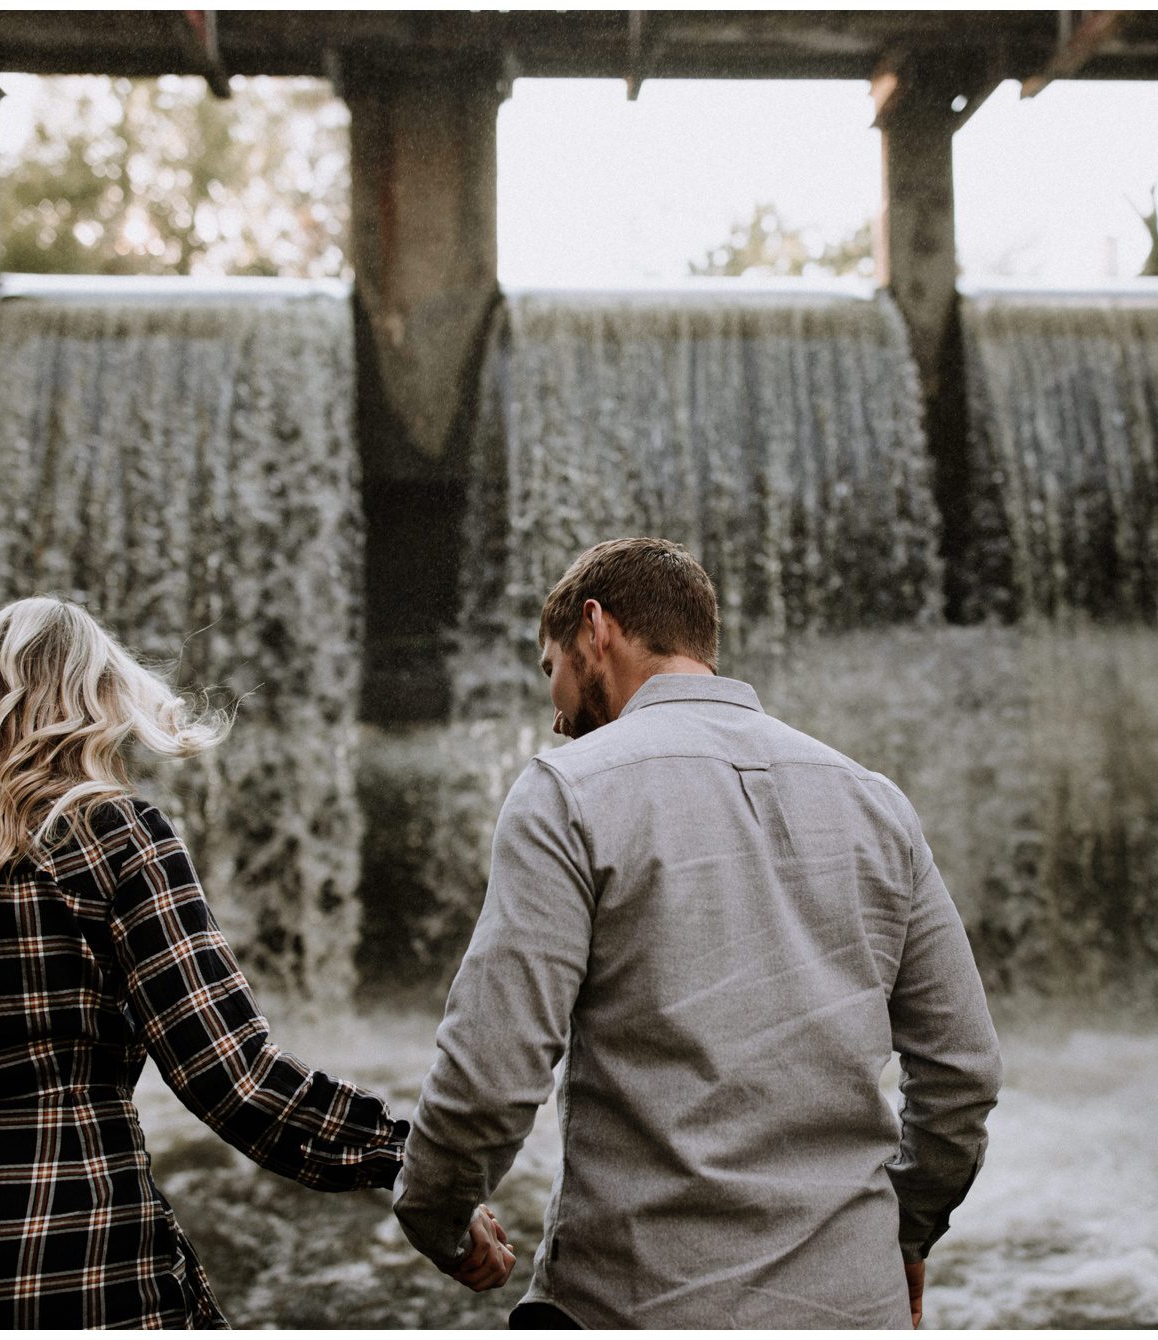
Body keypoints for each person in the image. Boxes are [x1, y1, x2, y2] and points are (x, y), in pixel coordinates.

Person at [0, 596, 508, 1327]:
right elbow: (232, 1077)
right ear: (91, 706)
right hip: (81, 1259)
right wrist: (411, 1160)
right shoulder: (117, 837)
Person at [394, 537, 1002, 1328]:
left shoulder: (568, 793)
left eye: (552, 669)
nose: (555, 711)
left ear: (595, 629)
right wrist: (903, 1233)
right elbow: (962, 1071)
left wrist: (438, 1217)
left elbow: (493, 1071)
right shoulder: (873, 801)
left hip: (643, 1304)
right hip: (857, 1308)